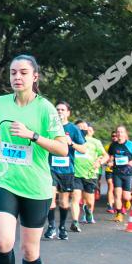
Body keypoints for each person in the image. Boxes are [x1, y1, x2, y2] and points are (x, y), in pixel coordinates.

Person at [0, 54, 68, 264]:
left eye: (23, 72)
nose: (17, 77)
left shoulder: (45, 109)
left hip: (36, 186)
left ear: (35, 77)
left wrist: (33, 135)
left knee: (30, 250)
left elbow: (62, 147)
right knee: (2, 242)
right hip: (5, 180)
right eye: (12, 73)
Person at [43, 101, 86, 240]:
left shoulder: (73, 129)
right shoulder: (48, 127)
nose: (59, 112)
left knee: (63, 201)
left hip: (67, 170)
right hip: (51, 168)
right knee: (50, 198)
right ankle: (51, 226)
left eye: (62, 109)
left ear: (68, 113)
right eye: (57, 109)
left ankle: (62, 227)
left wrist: (71, 143)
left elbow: (84, 149)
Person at [106, 126, 132, 222]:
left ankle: (127, 201)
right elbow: (110, 157)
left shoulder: (130, 145)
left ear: (125, 134)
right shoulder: (113, 145)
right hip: (116, 172)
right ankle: (118, 214)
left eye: (121, 132)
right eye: (118, 132)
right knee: (117, 194)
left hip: (127, 173)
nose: (119, 134)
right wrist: (110, 162)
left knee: (126, 196)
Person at [74, 120, 108, 224]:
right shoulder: (71, 140)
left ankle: (88, 212)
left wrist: (100, 162)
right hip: (75, 173)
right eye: (78, 127)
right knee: (75, 197)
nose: (81, 129)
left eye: (83, 127)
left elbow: (106, 155)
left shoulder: (95, 142)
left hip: (90, 173)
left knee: (89, 200)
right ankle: (75, 221)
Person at [105, 130, 117, 213]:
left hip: (119, 170)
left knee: (118, 188)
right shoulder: (107, 146)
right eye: (113, 136)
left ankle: (119, 204)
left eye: (116, 135)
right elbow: (103, 156)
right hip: (109, 169)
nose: (114, 137)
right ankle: (110, 205)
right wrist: (107, 161)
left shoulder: (123, 146)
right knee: (110, 185)